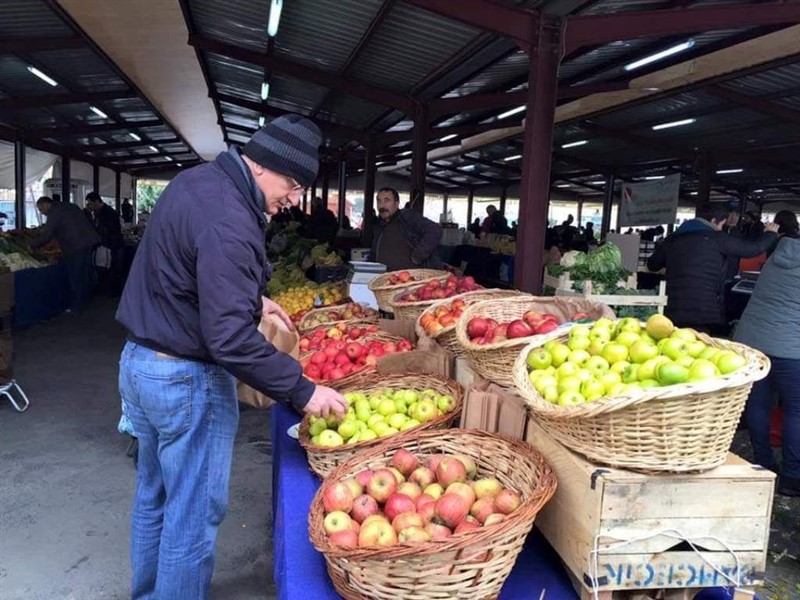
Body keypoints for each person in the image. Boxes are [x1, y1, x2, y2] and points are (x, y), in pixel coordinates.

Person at [116, 115, 347, 599]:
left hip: (140, 364)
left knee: (155, 498)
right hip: (185, 379)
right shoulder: (232, 220)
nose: (295, 198)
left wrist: (249, 298)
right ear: (262, 165)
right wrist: (303, 389)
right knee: (192, 515)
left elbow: (179, 269)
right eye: (293, 184)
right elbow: (230, 340)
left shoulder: (195, 182)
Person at [734, 210, 799, 497]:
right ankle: (792, 478)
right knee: (796, 410)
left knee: (758, 405)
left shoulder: (774, 259)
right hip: (790, 349)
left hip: (752, 342)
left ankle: (762, 465)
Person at [647, 204, 779, 336]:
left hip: (671, 309)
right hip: (703, 311)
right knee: (698, 348)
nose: (720, 229)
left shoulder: (672, 239)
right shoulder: (717, 238)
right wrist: (770, 234)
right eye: (721, 225)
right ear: (714, 221)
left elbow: (652, 265)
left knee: (672, 343)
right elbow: (752, 249)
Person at [30, 196, 101, 311]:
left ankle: (77, 306)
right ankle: (86, 300)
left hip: (75, 245)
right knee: (85, 273)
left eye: (41, 209)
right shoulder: (68, 206)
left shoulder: (54, 212)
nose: (42, 213)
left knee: (76, 276)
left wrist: (32, 245)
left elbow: (48, 234)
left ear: (45, 204)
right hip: (88, 242)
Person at [368, 187, 443, 270]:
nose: (382, 205)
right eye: (379, 201)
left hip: (411, 279)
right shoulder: (379, 225)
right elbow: (374, 253)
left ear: (396, 203)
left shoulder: (406, 217)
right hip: (386, 279)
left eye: (386, 200)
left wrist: (418, 256)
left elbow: (435, 230)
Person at [85, 192, 124, 295]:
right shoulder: (99, 212)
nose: (90, 206)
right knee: (107, 267)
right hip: (108, 244)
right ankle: (108, 289)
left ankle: (114, 291)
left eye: (91, 204)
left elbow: (108, 230)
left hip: (112, 245)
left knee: (113, 268)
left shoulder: (108, 213)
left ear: (97, 201)